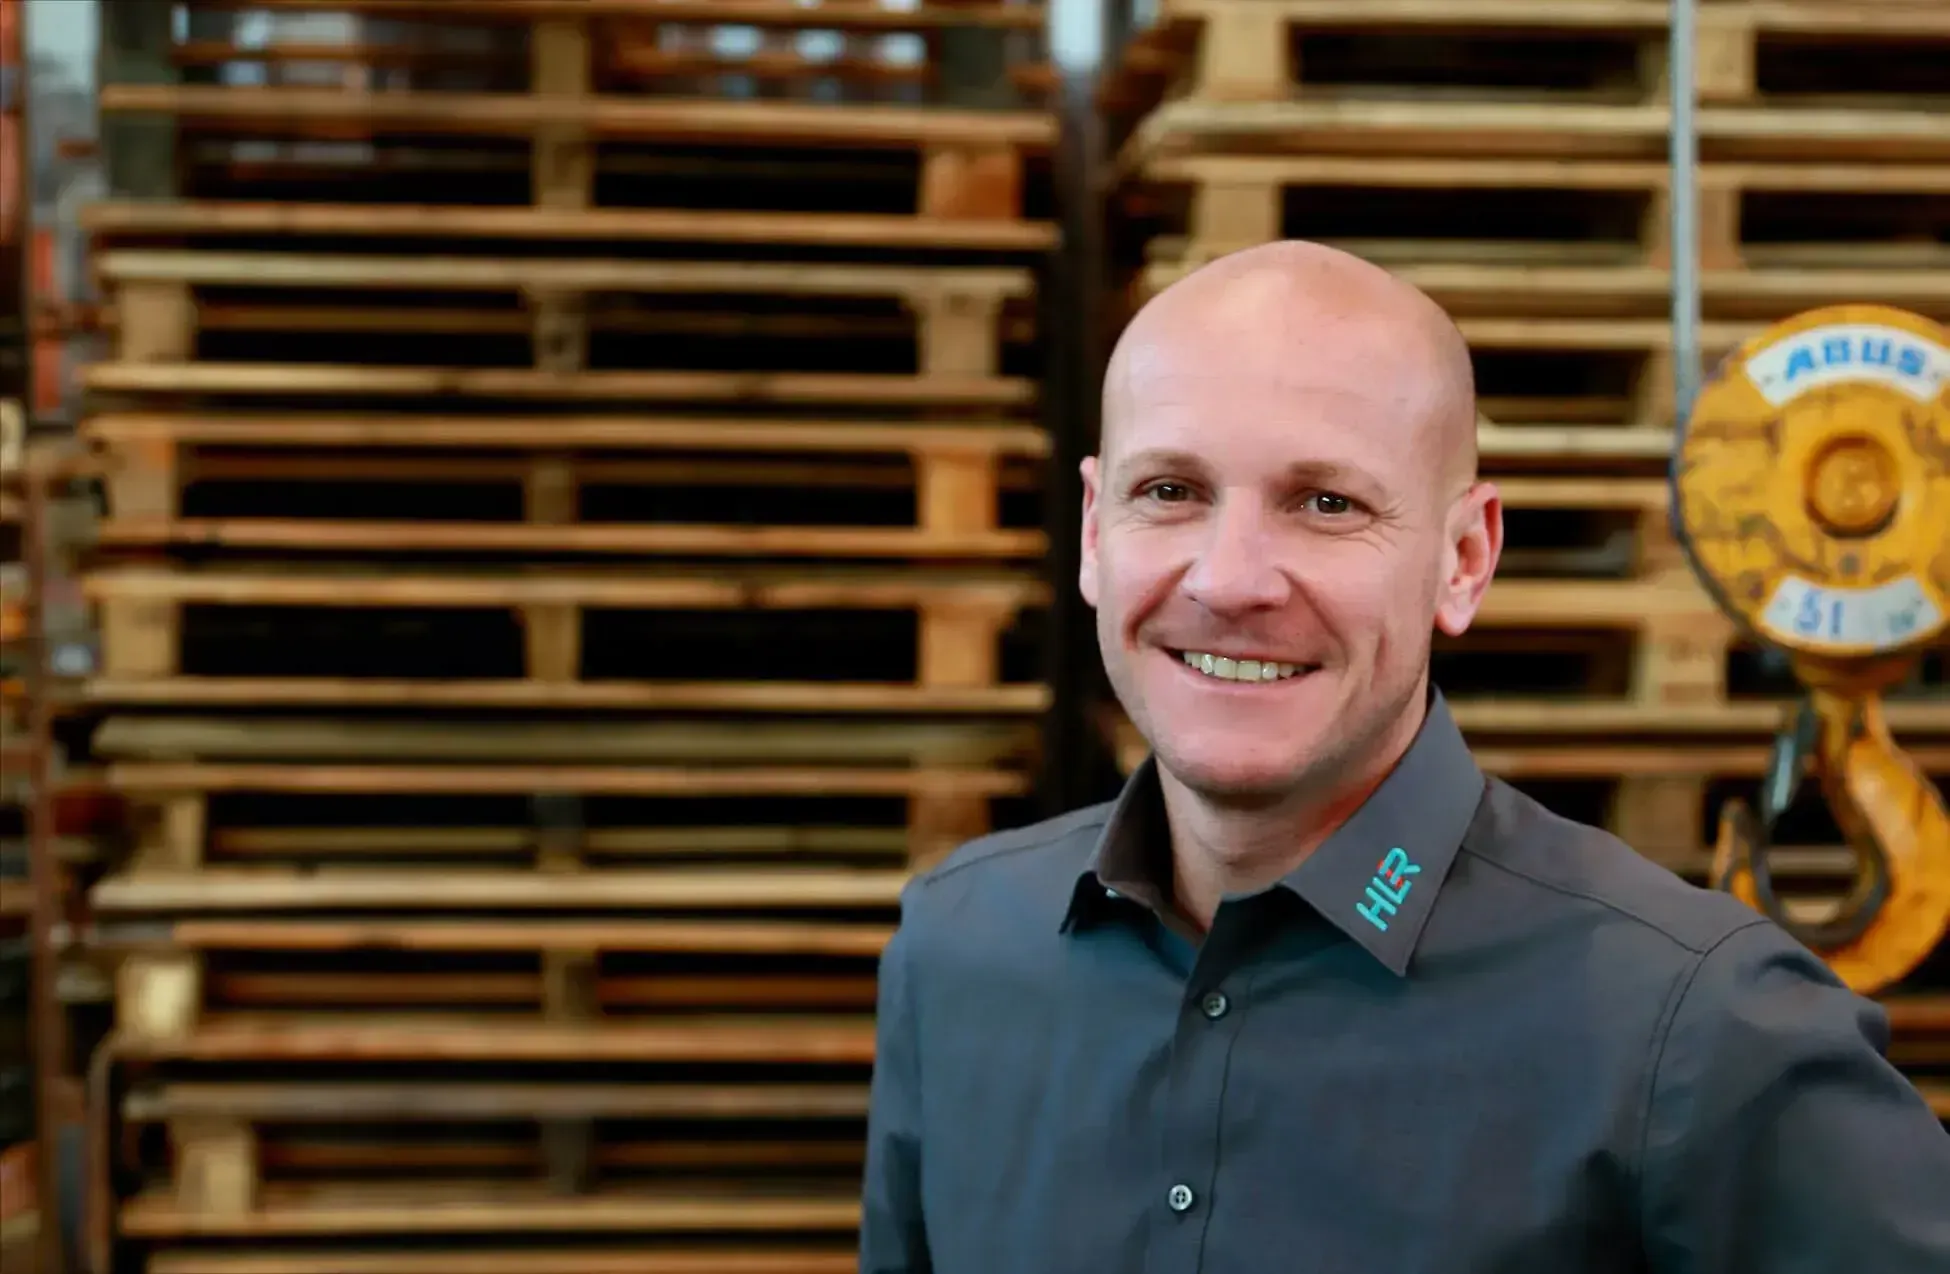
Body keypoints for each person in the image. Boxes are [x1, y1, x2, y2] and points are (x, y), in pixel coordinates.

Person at [855, 240, 1950, 1272]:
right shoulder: (959, 951)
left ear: (1464, 558)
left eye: (1326, 504)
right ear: (1097, 529)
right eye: (1170, 492)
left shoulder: (1704, 1029)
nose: (1230, 579)